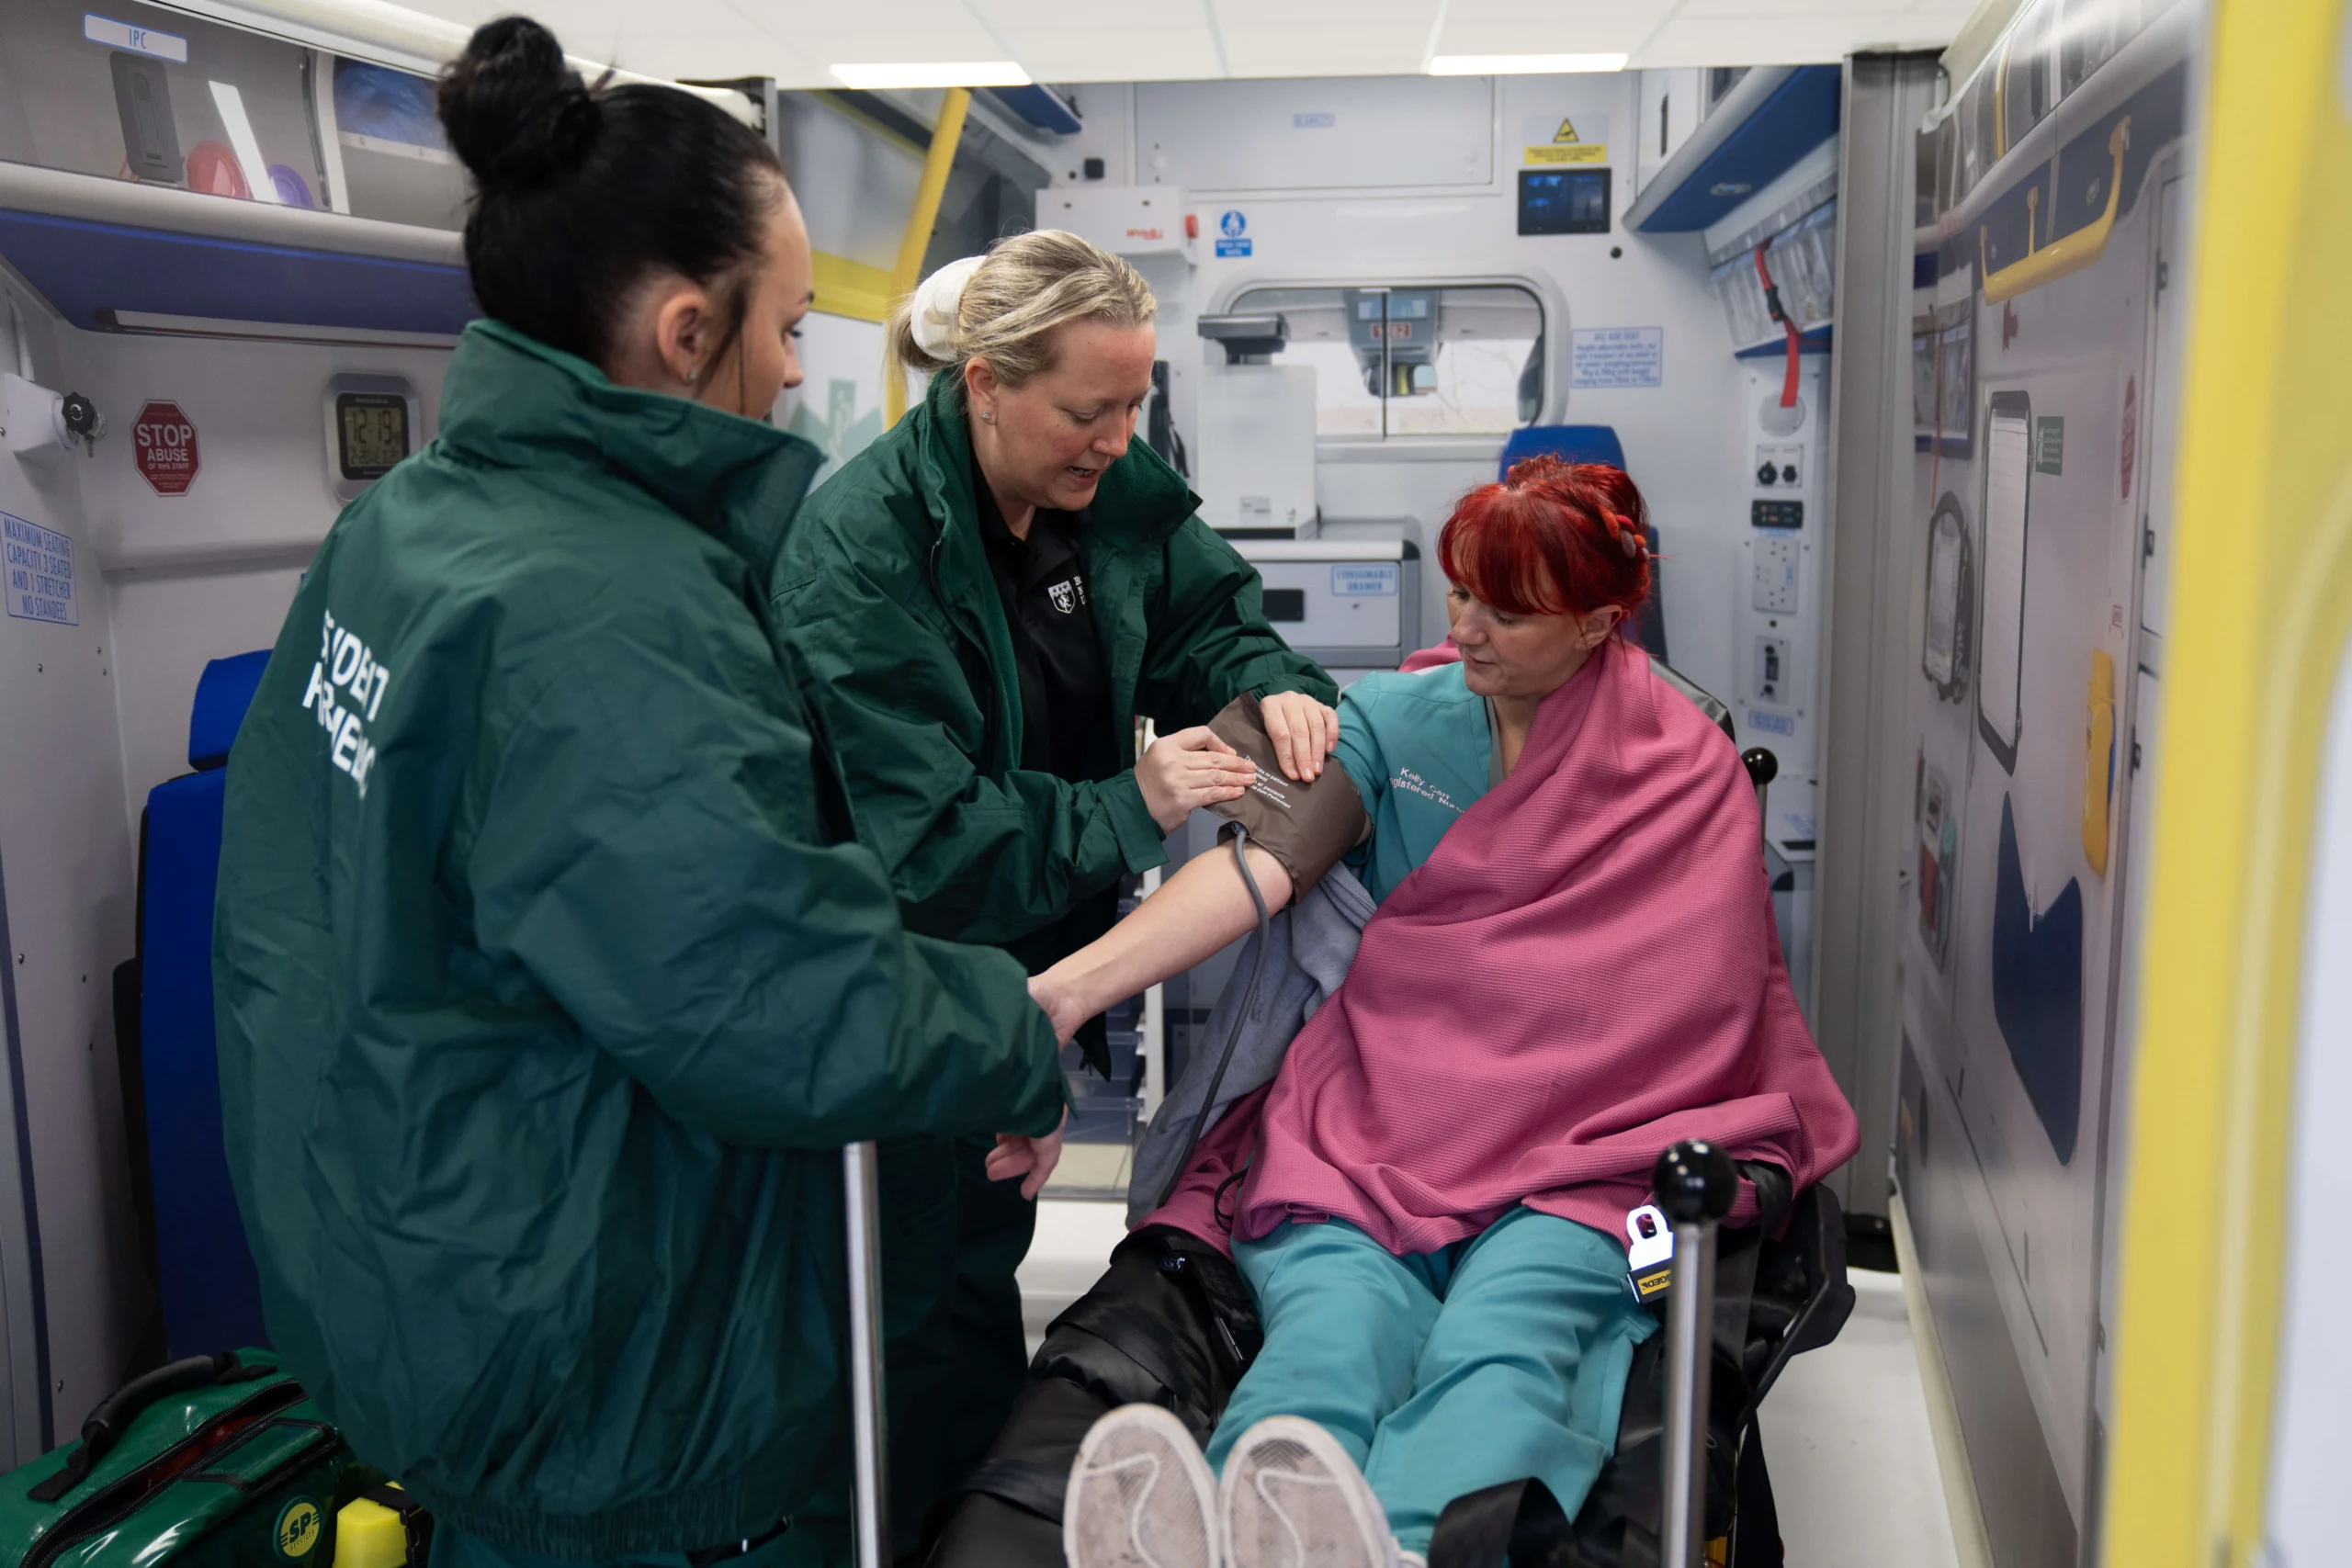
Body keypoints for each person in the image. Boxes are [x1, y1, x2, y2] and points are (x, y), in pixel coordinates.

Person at [211, 20, 1063, 1568]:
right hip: (612, 1379)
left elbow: (294, 909)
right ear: (686, 331)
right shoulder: (608, 615)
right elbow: (780, 1008)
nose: (801, 366)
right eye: (789, 324)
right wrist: (1012, 1036)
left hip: (423, 1264)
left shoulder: (403, 528)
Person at [1024, 459, 1861, 1568]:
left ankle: (1415, 1544)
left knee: (1506, 1337)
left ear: (1602, 621)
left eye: (1507, 613)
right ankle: (1238, 1528)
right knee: (1333, 1323)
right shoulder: (1391, 716)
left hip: (1587, 1151)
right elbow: (1260, 868)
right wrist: (1073, 987)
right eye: (1460, 592)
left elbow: (1687, 1003)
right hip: (1378, 1122)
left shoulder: (1684, 767)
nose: (1463, 629)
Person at [770, 230, 1340, 1548]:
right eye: (1092, 409)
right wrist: (1130, 805)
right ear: (983, 384)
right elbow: (929, 840)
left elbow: (1208, 619)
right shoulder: (862, 556)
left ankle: (975, 1517)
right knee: (910, 1306)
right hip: (908, 980)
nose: (1120, 437)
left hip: (1033, 963)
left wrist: (1273, 688)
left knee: (981, 1276)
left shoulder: (1106, 484)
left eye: (1137, 403)